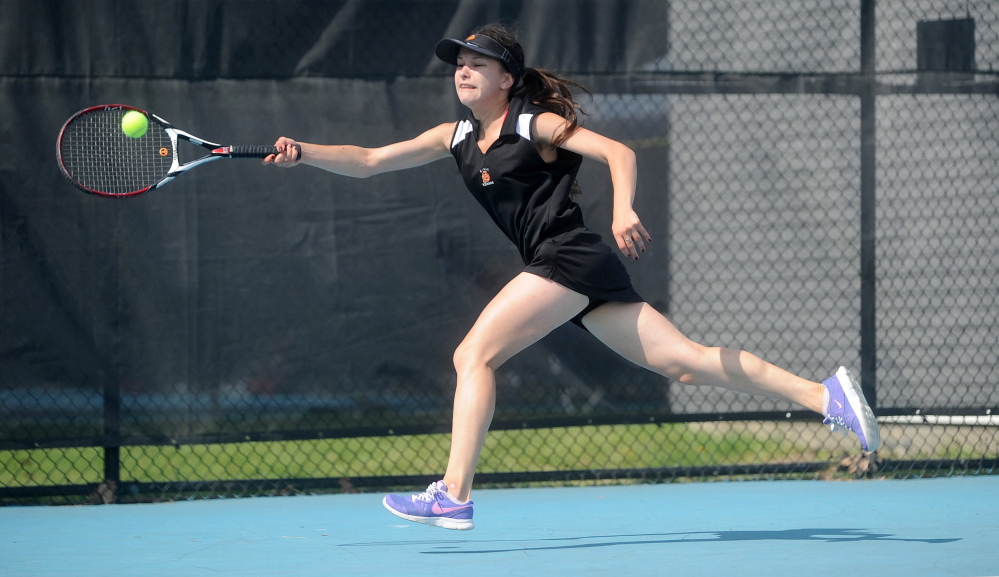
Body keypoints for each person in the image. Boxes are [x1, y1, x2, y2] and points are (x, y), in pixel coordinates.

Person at [263, 22, 880, 531]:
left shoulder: (535, 125)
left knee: (472, 355)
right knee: (685, 363)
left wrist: (623, 208)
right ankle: (825, 395)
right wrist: (307, 153)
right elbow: (370, 161)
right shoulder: (454, 138)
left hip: (568, 256)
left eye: (477, 63)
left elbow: (620, 152)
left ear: (506, 79)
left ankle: (454, 492)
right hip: (577, 269)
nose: (463, 71)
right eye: (458, 63)